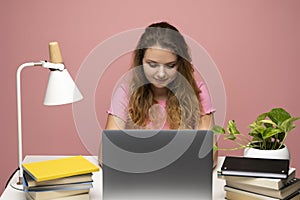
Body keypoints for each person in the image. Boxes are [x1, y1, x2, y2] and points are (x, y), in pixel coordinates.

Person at [100, 21, 217, 167]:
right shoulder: (125, 93)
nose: (161, 74)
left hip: (181, 177)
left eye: (170, 66)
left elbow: (209, 157)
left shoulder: (198, 93)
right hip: (137, 176)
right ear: (141, 62)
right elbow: (106, 155)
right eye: (152, 64)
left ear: (180, 64)